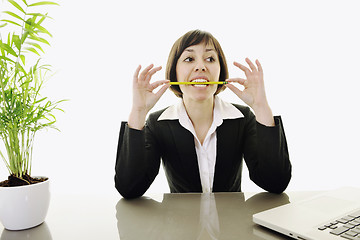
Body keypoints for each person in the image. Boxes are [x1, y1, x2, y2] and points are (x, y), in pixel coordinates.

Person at [115, 29, 291, 199]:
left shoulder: (242, 117)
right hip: (182, 226)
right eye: (189, 59)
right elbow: (130, 188)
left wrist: (261, 107)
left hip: (231, 225)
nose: (201, 66)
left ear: (220, 71)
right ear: (174, 71)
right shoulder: (157, 123)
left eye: (210, 58)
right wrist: (138, 112)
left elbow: (276, 183)